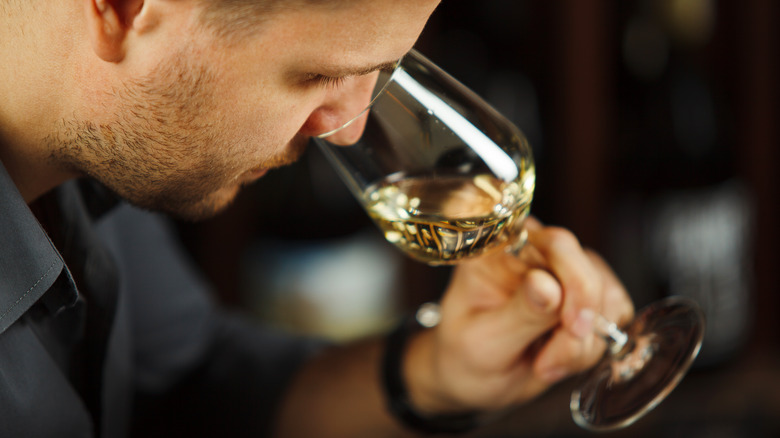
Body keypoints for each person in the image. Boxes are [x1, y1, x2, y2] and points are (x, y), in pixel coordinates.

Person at [0, 0, 634, 437]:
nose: (350, 131)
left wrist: (434, 373)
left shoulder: (102, 154)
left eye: (383, 70)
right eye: (322, 75)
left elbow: (187, 388)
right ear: (123, 9)